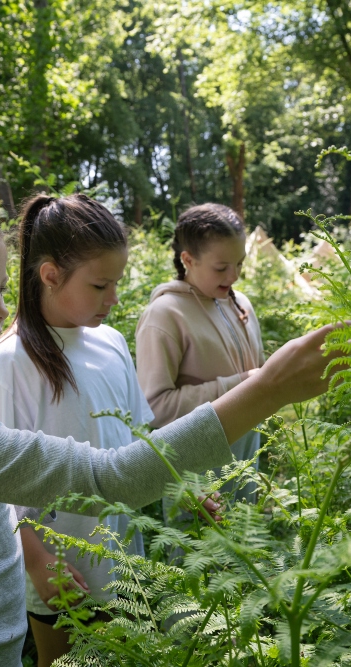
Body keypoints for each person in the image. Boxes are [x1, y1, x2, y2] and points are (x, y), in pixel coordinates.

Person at [0, 198, 344, 667]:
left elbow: (136, 435)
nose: (2, 308)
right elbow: (113, 477)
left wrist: (185, 483)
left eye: (1, 287)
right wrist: (266, 389)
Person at [0, 194, 162, 667]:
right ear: (51, 274)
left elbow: (140, 437)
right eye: (100, 285)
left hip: (124, 561)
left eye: (116, 283)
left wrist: (185, 485)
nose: (114, 299)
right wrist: (36, 561)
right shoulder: (7, 364)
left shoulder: (112, 342)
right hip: (59, 570)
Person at [135, 203, 264, 511]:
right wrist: (240, 384)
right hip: (197, 484)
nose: (233, 276)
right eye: (221, 268)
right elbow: (154, 408)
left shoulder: (240, 303)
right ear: (188, 260)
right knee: (197, 557)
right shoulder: (164, 315)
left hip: (247, 464)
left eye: (240, 264)